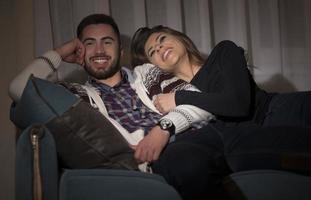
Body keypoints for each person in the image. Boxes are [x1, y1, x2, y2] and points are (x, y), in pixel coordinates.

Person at [9, 14, 229, 200]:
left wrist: (163, 128)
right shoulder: (77, 95)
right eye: (89, 43)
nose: (99, 50)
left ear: (120, 51)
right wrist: (58, 52)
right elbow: (19, 89)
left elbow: (199, 101)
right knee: (185, 162)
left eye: (107, 41)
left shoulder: (149, 74)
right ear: (79, 53)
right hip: (165, 158)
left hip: (194, 137)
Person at [131, 25, 311, 174]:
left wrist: (179, 98)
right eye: (153, 51)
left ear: (179, 38)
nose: (160, 48)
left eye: (162, 40)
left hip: (283, 109)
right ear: (154, 65)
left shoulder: (223, 52)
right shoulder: (172, 92)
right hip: (256, 140)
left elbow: (237, 104)